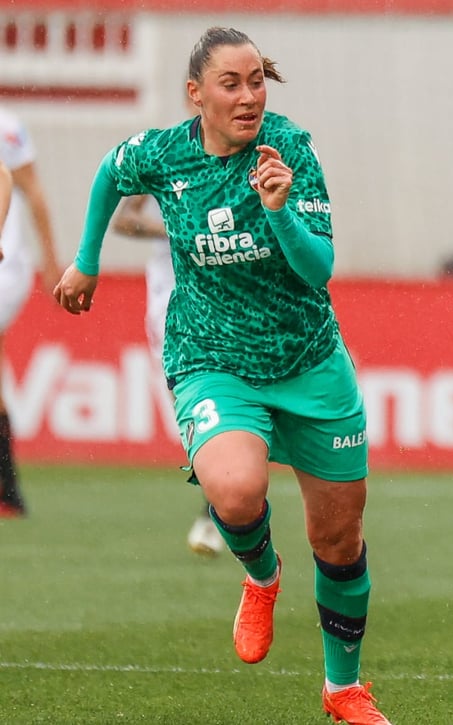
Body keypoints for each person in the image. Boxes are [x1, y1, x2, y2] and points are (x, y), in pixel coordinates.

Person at [52, 27, 391, 724]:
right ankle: (262, 575)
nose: (247, 97)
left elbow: (319, 270)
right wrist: (86, 257)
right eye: (230, 85)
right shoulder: (167, 153)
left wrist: (279, 211)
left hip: (308, 362)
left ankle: (342, 688)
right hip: (211, 358)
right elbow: (111, 172)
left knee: (339, 538)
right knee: (235, 493)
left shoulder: (290, 150)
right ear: (195, 95)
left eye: (256, 82)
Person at [111, 188, 226, 557]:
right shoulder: (161, 158)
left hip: (222, 294)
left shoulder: (240, 161)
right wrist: (175, 231)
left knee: (222, 400)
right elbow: (125, 221)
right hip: (167, 296)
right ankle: (220, 502)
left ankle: (216, 511)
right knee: (188, 409)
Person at [0, 106, 58, 519]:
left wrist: (52, 262)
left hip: (8, 268)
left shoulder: (6, 126)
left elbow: (27, 188)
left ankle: (7, 487)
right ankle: (9, 488)